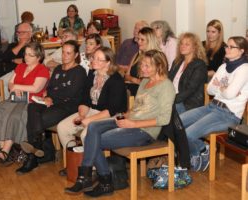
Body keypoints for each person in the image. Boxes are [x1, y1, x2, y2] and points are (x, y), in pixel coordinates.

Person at [65, 49, 175, 197]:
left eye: (148, 66)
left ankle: (97, 180)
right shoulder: (145, 82)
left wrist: (133, 124)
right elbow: (136, 109)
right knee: (93, 127)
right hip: (130, 122)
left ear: (159, 66)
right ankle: (94, 179)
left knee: (93, 139)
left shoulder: (166, 86)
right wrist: (123, 116)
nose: (143, 68)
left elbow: (164, 119)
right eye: (142, 65)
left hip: (145, 131)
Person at [16, 40, 87, 174]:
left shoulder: (79, 71)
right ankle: (40, 151)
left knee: (40, 119)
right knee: (32, 108)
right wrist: (48, 96)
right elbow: (50, 87)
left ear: (75, 54)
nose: (65, 56)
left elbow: (70, 93)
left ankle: (34, 155)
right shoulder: (58, 69)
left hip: (68, 106)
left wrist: (52, 97)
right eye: (63, 52)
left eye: (68, 53)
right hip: (52, 102)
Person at [180, 36, 248, 172]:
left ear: (241, 51)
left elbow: (229, 94)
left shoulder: (244, 69)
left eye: (231, 47)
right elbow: (210, 89)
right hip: (212, 106)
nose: (226, 49)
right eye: (226, 46)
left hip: (228, 115)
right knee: (177, 123)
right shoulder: (223, 66)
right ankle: (201, 148)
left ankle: (200, 150)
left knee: (187, 134)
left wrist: (222, 88)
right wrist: (225, 88)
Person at [0, 42, 49, 165]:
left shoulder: (42, 70)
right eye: (25, 54)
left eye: (30, 55)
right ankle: (5, 150)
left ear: (39, 57)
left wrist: (17, 87)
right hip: (15, 99)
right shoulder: (20, 67)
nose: (26, 57)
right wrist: (15, 88)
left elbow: (36, 89)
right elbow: (10, 84)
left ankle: (5, 151)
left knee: (13, 117)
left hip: (30, 102)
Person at [57, 46, 127, 158]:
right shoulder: (92, 74)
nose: (94, 61)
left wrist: (89, 120)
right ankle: (76, 160)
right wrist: (82, 115)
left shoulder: (116, 80)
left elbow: (112, 109)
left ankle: (91, 168)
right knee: (62, 127)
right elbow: (85, 99)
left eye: (99, 59)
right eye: (94, 58)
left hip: (110, 116)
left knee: (87, 134)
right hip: (91, 112)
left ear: (108, 63)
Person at [169, 32, 208, 114]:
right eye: (181, 44)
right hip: (172, 99)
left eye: (187, 44)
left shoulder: (199, 65)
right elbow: (168, 81)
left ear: (194, 47)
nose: (183, 46)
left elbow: (190, 90)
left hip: (188, 104)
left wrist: (170, 100)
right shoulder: (177, 62)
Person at [0, 22, 33, 98]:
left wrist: (17, 60)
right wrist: (21, 44)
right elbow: (4, 58)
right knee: (1, 82)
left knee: (3, 82)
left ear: (30, 34)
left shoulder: (34, 46)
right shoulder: (13, 45)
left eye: (23, 32)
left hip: (25, 72)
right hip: (10, 73)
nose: (20, 34)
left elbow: (33, 61)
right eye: (18, 32)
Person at [124, 27, 161, 96]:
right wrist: (135, 80)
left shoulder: (156, 57)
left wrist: (132, 80)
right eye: (138, 39)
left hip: (146, 92)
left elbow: (151, 82)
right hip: (132, 87)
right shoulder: (137, 55)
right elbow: (126, 75)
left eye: (142, 40)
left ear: (150, 41)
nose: (138, 42)